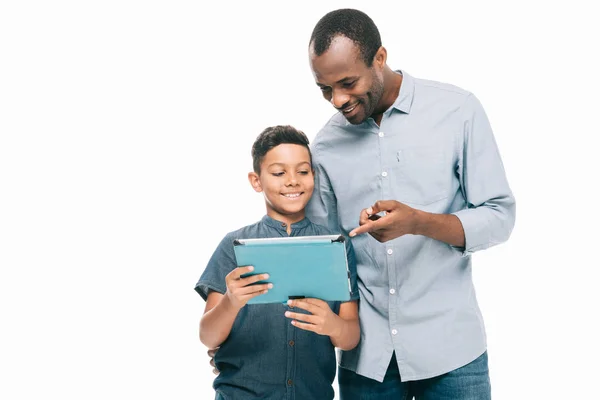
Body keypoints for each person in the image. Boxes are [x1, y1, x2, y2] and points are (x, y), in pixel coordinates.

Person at [304, 8, 516, 400]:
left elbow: (499, 215)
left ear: (379, 59)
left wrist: (417, 222)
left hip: (452, 352)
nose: (338, 100)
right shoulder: (325, 147)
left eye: (348, 83)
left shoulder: (457, 111)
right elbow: (321, 258)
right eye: (325, 89)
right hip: (367, 360)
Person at [194, 125, 360, 400]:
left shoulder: (336, 246)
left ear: (313, 177)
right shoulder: (233, 246)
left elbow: (350, 335)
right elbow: (208, 337)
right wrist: (231, 302)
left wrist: (332, 325)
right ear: (256, 181)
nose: (292, 181)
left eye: (303, 171)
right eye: (279, 172)